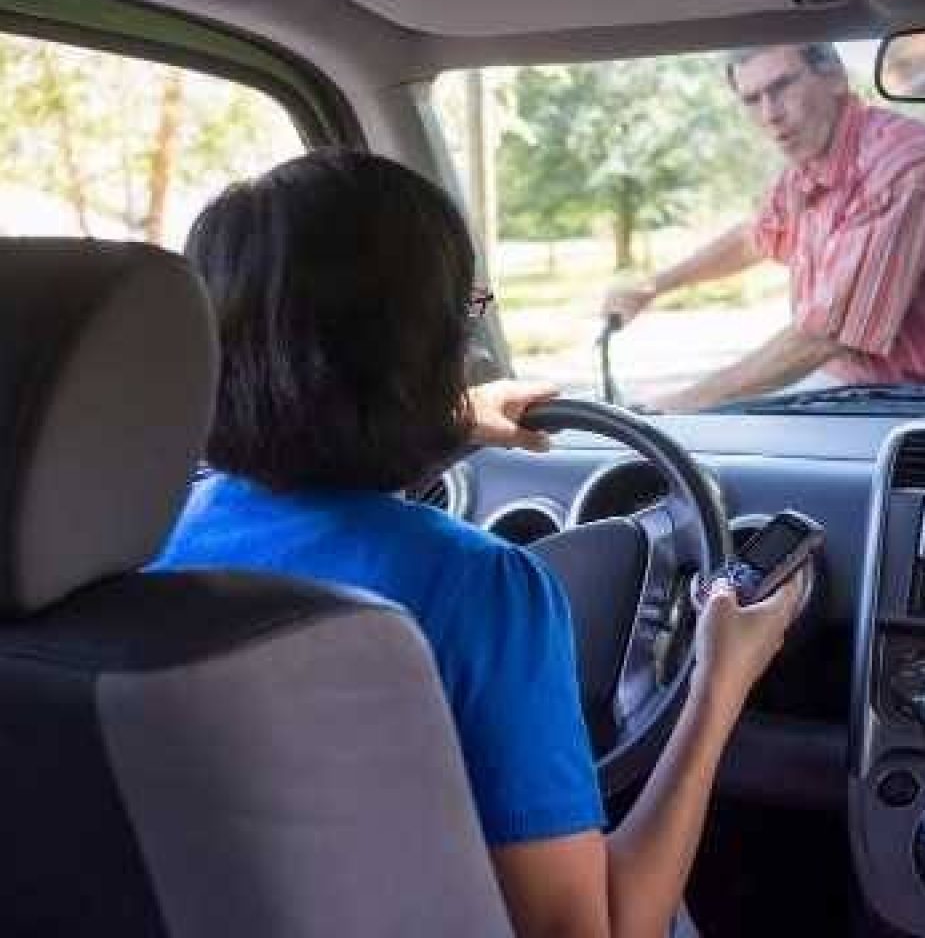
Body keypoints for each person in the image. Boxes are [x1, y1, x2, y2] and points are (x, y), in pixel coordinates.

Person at [154, 148, 802, 938]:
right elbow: (590, 932)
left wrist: (443, 416)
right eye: (465, 311)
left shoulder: (149, 543)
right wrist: (718, 683)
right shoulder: (481, 589)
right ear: (424, 341)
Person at [603, 43, 925, 411]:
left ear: (835, 76)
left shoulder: (900, 162)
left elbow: (827, 334)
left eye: (782, 86)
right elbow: (754, 237)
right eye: (752, 99)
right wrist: (656, 286)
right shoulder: (807, 169)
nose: (770, 114)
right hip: (861, 392)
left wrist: (679, 406)